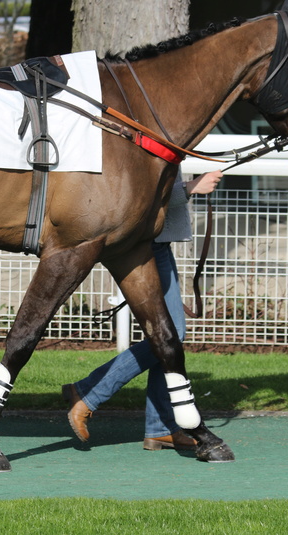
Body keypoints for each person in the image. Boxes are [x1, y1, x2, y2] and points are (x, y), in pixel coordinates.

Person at [62, 168, 223, 451]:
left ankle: (160, 428)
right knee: (169, 337)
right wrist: (189, 188)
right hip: (147, 245)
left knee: (169, 337)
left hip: (154, 243)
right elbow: (142, 190)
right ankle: (87, 393)